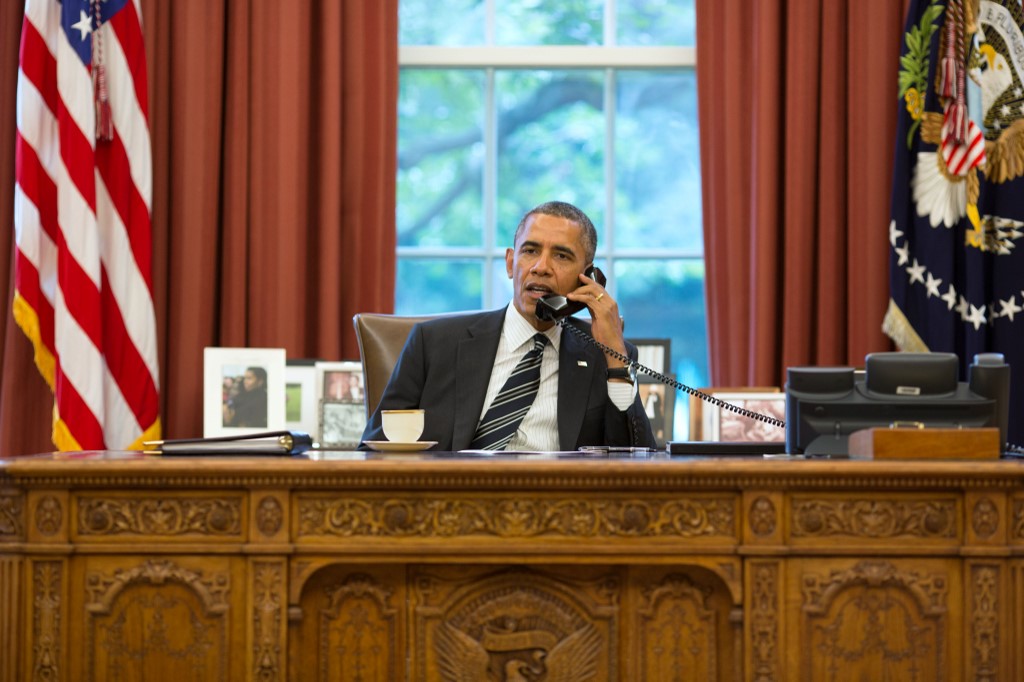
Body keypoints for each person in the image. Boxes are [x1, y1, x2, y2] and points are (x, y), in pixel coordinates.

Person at [360, 201, 657, 451]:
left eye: (561, 256)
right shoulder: (434, 343)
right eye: (530, 251)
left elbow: (636, 459)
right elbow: (373, 450)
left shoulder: (601, 355)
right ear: (509, 263)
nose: (541, 266)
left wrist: (615, 356)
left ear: (588, 277)